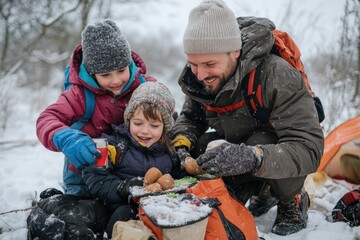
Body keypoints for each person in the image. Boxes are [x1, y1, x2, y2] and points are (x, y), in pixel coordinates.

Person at [171, 0, 324, 236]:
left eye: (209, 64)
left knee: (260, 141)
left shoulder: (277, 74)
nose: (200, 75)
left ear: (235, 51)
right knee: (199, 146)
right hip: (231, 149)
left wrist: (252, 158)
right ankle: (259, 190)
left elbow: (309, 148)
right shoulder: (200, 76)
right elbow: (190, 118)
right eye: (193, 64)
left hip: (266, 148)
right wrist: (180, 144)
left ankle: (291, 200)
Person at [36, 19, 155, 197]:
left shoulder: (144, 87)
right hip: (84, 174)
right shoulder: (80, 95)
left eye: (121, 70)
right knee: (85, 214)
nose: (116, 80)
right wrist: (67, 138)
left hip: (128, 172)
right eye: (106, 75)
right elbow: (47, 119)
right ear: (92, 74)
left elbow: (164, 109)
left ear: (129, 64)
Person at [82, 81, 180, 238]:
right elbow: (94, 177)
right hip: (121, 209)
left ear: (165, 127)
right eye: (138, 123)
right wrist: (122, 188)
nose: (145, 131)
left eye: (154, 126)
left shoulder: (170, 151)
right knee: (125, 212)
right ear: (128, 120)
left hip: (159, 209)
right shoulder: (112, 145)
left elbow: (179, 176)